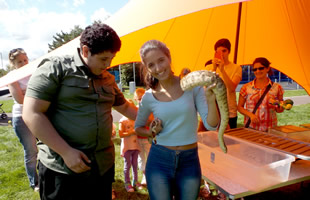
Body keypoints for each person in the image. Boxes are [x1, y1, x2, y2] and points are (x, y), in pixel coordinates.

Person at [22, 23, 138, 200]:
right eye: (103, 59)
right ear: (85, 51)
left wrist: (153, 120)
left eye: (111, 58)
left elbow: (125, 107)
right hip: (62, 169)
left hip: (102, 168)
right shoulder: (55, 68)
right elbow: (31, 113)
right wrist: (66, 152)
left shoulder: (107, 79)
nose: (108, 65)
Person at [134, 40, 220, 200]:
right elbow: (138, 127)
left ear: (169, 57)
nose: (158, 68)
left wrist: (210, 100)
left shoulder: (192, 87)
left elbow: (211, 124)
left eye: (161, 60)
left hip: (189, 161)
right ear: (147, 68)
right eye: (151, 65)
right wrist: (151, 131)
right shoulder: (148, 97)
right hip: (159, 160)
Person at [7, 48, 39, 191]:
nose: (23, 63)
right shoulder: (12, 77)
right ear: (13, 64)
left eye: (25, 60)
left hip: (39, 114)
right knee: (31, 151)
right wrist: (36, 96)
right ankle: (34, 182)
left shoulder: (33, 71)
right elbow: (20, 99)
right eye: (19, 62)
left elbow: (44, 89)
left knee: (47, 146)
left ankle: (47, 175)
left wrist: (28, 94)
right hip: (22, 117)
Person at [238, 57, 284, 132]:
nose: (258, 71)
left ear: (268, 68)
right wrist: (250, 115)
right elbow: (240, 107)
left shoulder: (277, 87)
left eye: (261, 68)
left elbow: (279, 109)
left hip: (270, 128)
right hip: (251, 127)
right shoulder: (246, 87)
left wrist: (281, 107)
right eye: (255, 69)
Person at [205, 38, 242, 129]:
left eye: (224, 51)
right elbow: (207, 87)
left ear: (229, 51)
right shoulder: (209, 68)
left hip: (229, 111)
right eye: (218, 52)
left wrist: (222, 70)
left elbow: (232, 88)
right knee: (211, 140)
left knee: (230, 141)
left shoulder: (236, 68)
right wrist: (214, 69)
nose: (221, 54)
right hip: (213, 111)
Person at [119, 99, 142, 192]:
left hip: (135, 146)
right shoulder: (123, 121)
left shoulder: (136, 119)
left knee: (135, 164)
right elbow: (120, 134)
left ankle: (135, 181)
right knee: (127, 165)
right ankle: (127, 182)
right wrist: (131, 132)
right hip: (127, 147)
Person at [134, 88, 151, 186]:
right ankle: (144, 175)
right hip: (137, 138)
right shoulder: (135, 110)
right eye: (139, 99)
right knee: (141, 158)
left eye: (142, 98)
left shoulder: (149, 109)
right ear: (135, 99)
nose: (141, 101)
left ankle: (149, 175)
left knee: (149, 156)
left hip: (147, 138)